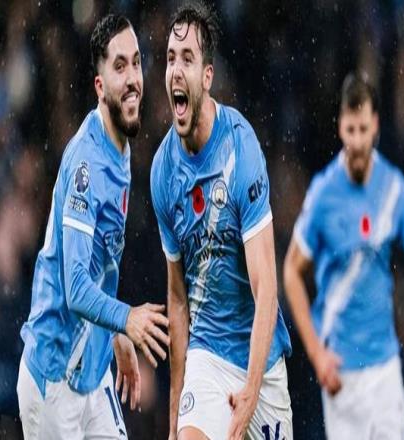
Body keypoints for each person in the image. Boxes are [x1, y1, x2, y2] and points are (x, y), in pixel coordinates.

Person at [16, 14, 170, 439]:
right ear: (100, 86)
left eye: (136, 63)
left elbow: (100, 265)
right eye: (120, 66)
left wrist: (115, 336)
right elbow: (76, 287)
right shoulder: (87, 163)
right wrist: (126, 320)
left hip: (92, 373)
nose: (133, 78)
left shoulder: (119, 149)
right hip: (54, 379)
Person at [283, 72, 404, 439]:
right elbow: (291, 271)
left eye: (363, 129)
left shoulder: (393, 189)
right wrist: (315, 353)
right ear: (339, 128)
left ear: (375, 125)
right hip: (341, 373)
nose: (357, 141)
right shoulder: (323, 194)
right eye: (350, 130)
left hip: (386, 371)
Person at [150, 2, 293, 439]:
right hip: (207, 355)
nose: (176, 70)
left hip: (260, 361)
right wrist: (174, 416)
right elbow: (178, 300)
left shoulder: (241, 148)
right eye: (170, 59)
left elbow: (266, 287)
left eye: (187, 59)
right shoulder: (162, 172)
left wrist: (251, 390)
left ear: (207, 76)